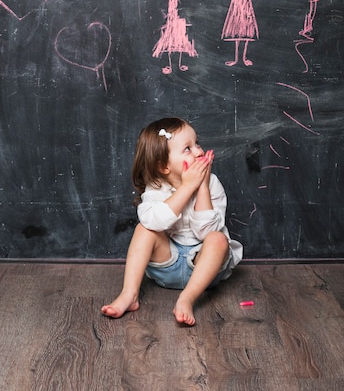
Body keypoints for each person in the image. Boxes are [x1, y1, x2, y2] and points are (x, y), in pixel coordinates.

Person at [101, 117, 243, 326]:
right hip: (167, 266)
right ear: (164, 166)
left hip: (204, 271)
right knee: (144, 229)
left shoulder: (212, 184)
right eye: (187, 149)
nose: (198, 152)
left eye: (197, 143)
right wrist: (187, 188)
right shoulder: (156, 187)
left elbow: (206, 232)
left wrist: (201, 186)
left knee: (218, 239)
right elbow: (153, 222)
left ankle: (186, 299)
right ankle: (129, 294)